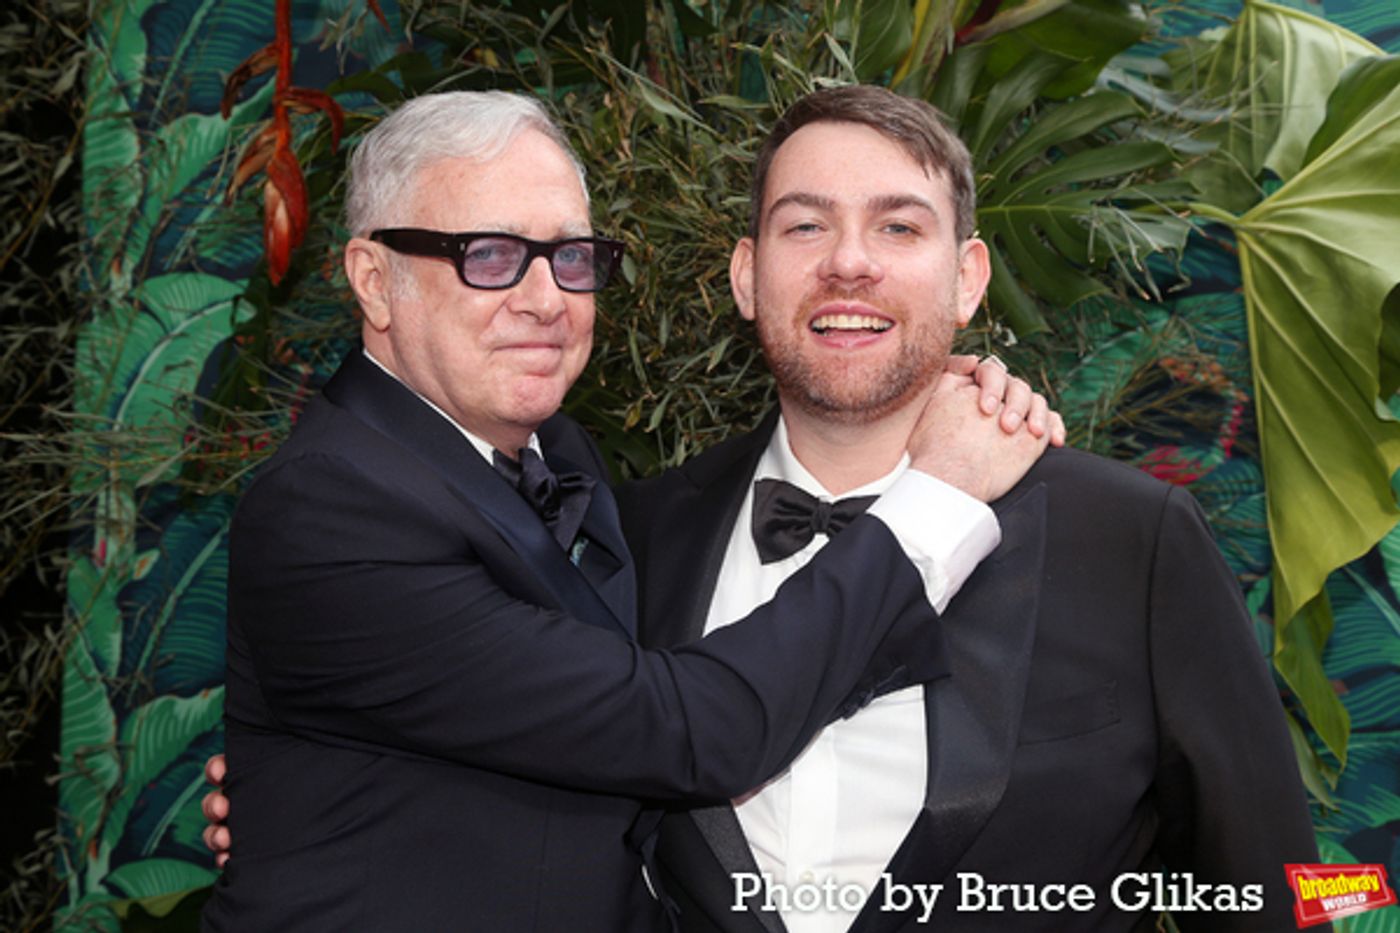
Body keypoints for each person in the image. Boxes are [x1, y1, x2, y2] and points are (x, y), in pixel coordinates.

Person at [199, 90, 1055, 932]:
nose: (546, 299)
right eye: (490, 255)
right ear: (374, 281)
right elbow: (690, 731)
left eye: (570, 257)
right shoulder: (329, 509)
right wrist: (932, 498)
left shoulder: (566, 461)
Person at [614, 86, 1322, 932]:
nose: (848, 261)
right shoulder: (634, 541)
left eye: (899, 227)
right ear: (746, 276)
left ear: (967, 279)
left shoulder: (1132, 541)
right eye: (805, 225)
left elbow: (1272, 899)